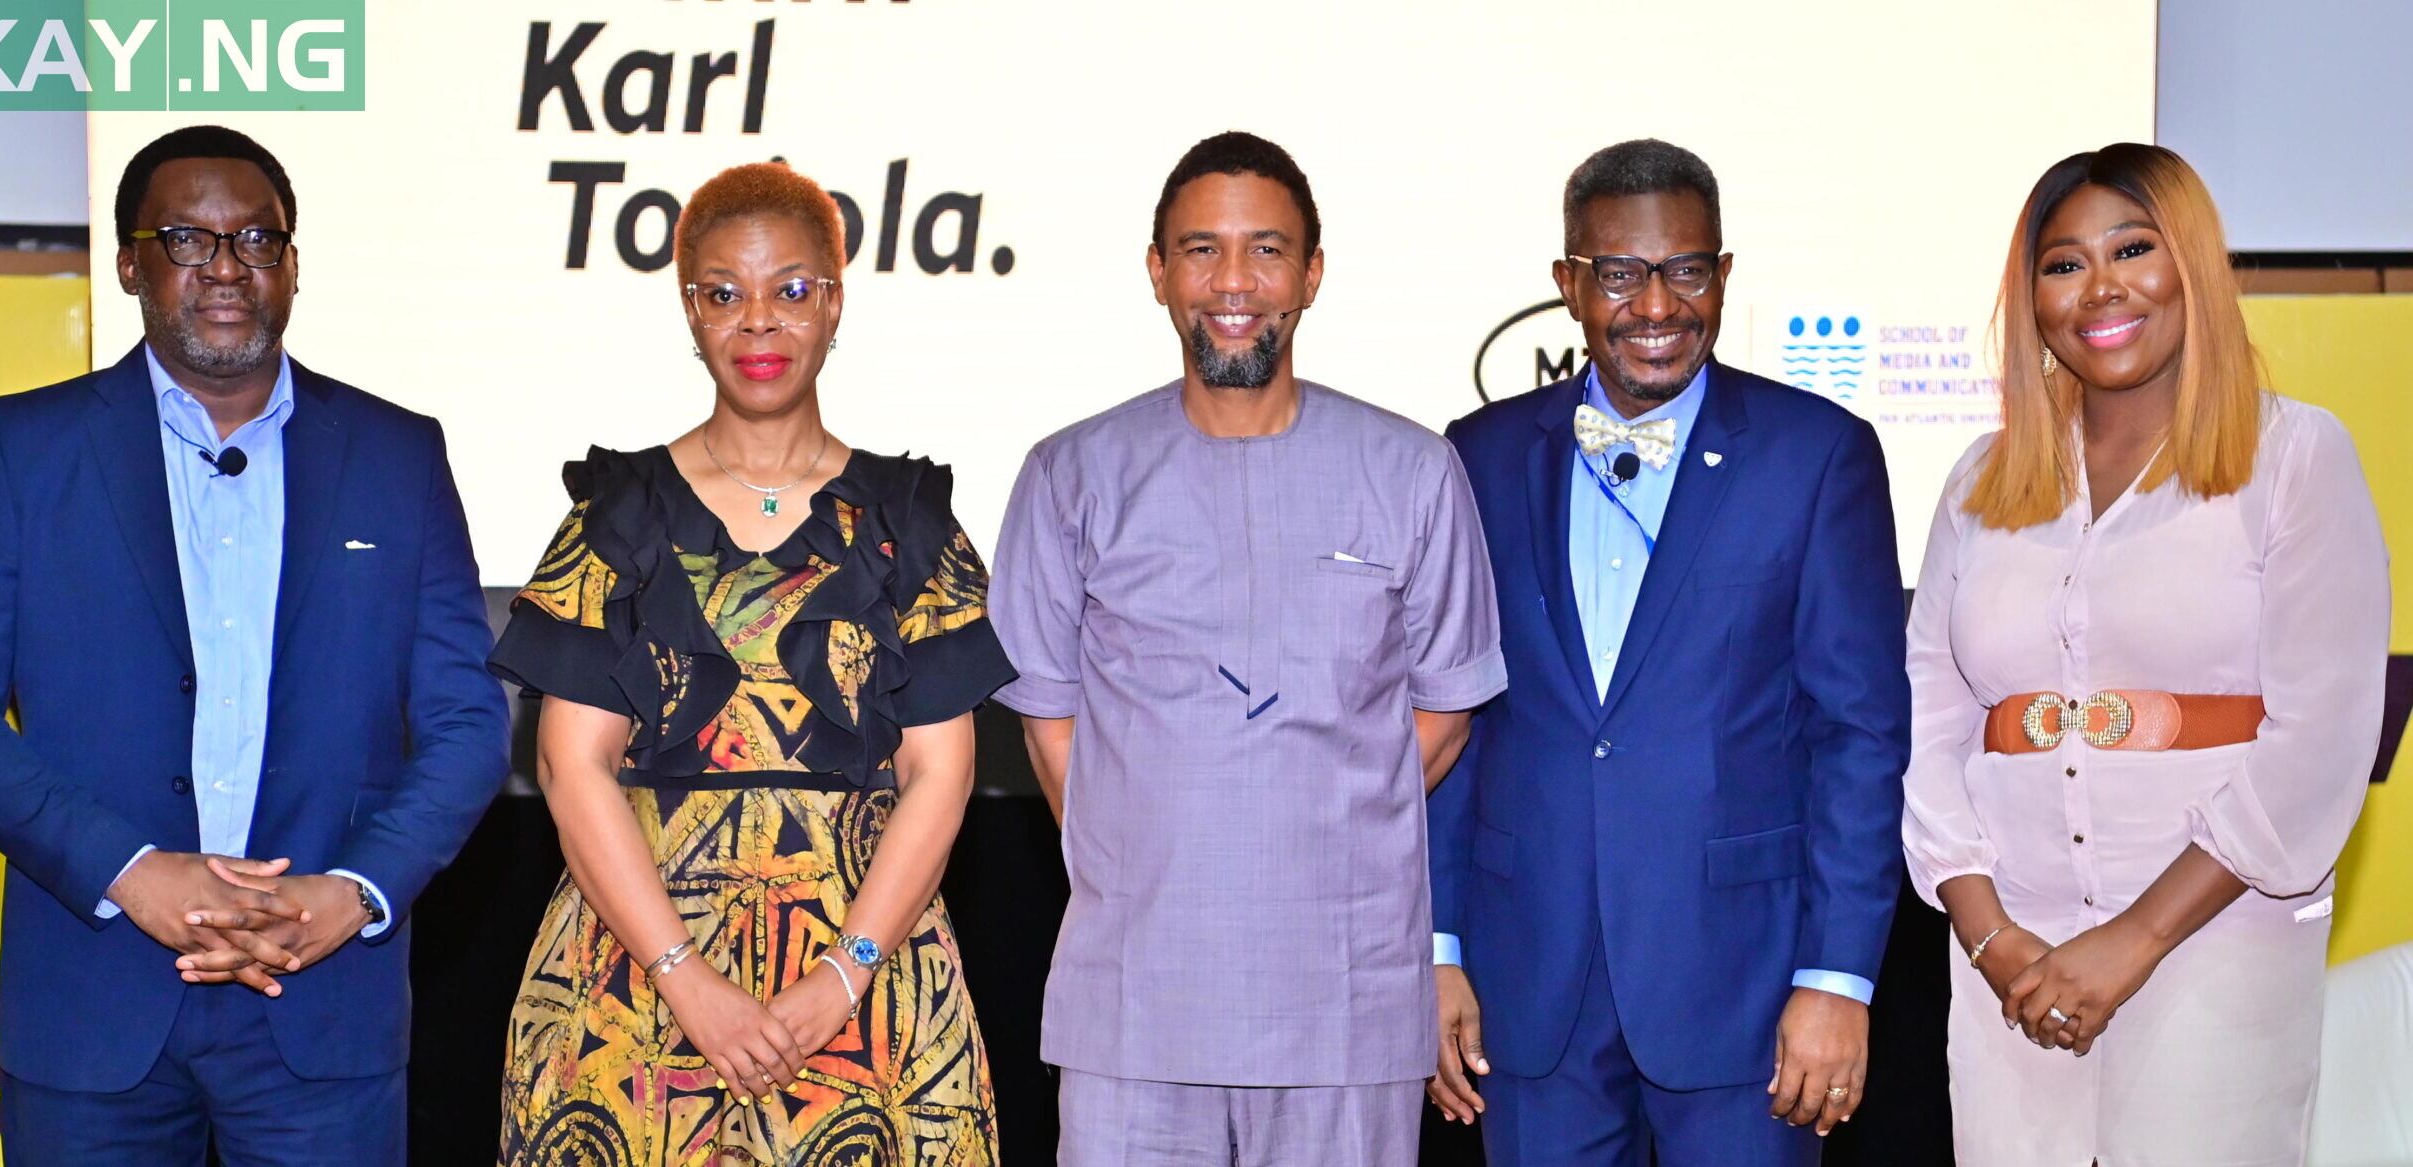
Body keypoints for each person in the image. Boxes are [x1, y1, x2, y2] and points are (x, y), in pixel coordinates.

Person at [0, 125, 510, 1164]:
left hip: (322, 997)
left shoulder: (397, 453)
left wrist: (351, 893)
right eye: (188, 239)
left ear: (293, 266)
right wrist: (127, 869)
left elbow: (467, 722)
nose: (226, 268)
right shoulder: (26, 447)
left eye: (257, 242)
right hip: (95, 994)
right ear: (129, 262)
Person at [992, 130, 1507, 1165]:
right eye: (1200, 250)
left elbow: (1446, 704)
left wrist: (1322, 819)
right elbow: (1048, 720)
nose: (1234, 282)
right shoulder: (1071, 474)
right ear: (1156, 272)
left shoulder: (1411, 471)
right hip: (1135, 1006)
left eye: (1266, 251)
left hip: (1343, 1005)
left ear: (1311, 274)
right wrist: (1147, 849)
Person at [492, 161, 1013, 1164]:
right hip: (632, 992)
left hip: (869, 990)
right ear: (689, 308)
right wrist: (685, 979)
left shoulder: (908, 523)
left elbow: (940, 776)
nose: (759, 323)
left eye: (791, 290)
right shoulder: (620, 514)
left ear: (835, 301)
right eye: (724, 293)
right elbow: (569, 765)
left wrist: (842, 978)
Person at [1424, 139, 1911, 1165]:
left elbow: (1859, 735)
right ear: (1567, 285)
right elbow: (1448, 724)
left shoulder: (1816, 455)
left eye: (1686, 269)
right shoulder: (1475, 456)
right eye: (1619, 273)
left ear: (1722, 274)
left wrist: (1836, 978)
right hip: (1526, 984)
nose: (1656, 304)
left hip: (1744, 985)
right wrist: (1435, 947)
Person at [1901, 143, 2388, 1166]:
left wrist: (2135, 939)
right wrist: (1990, 939)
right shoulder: (1976, 481)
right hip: (2012, 966)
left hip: (2218, 949)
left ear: (2192, 265)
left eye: (2132, 248)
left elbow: (2320, 738)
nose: (2100, 287)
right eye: (2062, 262)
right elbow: (1931, 719)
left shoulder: (2295, 456)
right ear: (2031, 295)